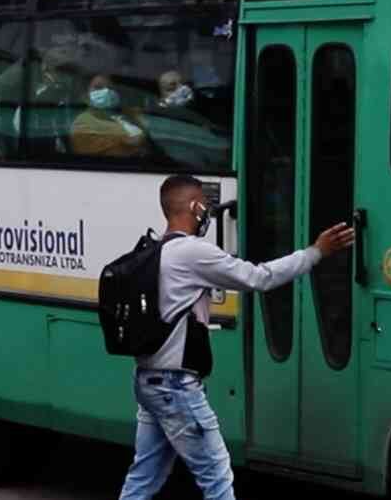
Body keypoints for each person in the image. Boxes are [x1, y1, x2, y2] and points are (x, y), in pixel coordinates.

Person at [118, 175, 355, 500]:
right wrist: (315, 253)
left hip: (148, 381)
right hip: (175, 387)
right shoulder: (192, 252)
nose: (208, 213)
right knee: (217, 479)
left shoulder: (157, 251)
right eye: (205, 205)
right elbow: (260, 278)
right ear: (195, 207)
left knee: (143, 477)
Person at [70, 74, 149, 158]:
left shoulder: (122, 118)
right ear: (85, 95)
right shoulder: (82, 123)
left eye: (110, 88)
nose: (106, 91)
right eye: (98, 87)